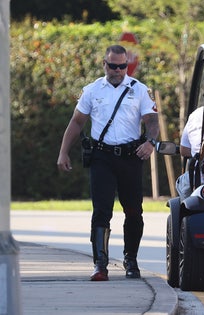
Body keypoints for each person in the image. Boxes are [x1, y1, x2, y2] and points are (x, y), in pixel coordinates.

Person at [57, 45, 159, 281]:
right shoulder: (92, 90)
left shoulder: (140, 90)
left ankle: (130, 260)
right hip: (102, 157)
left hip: (130, 156)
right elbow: (76, 123)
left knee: (134, 210)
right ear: (104, 64)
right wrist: (63, 152)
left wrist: (151, 142)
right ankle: (100, 264)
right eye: (113, 66)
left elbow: (152, 121)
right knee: (101, 211)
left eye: (123, 66)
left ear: (127, 66)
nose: (118, 70)